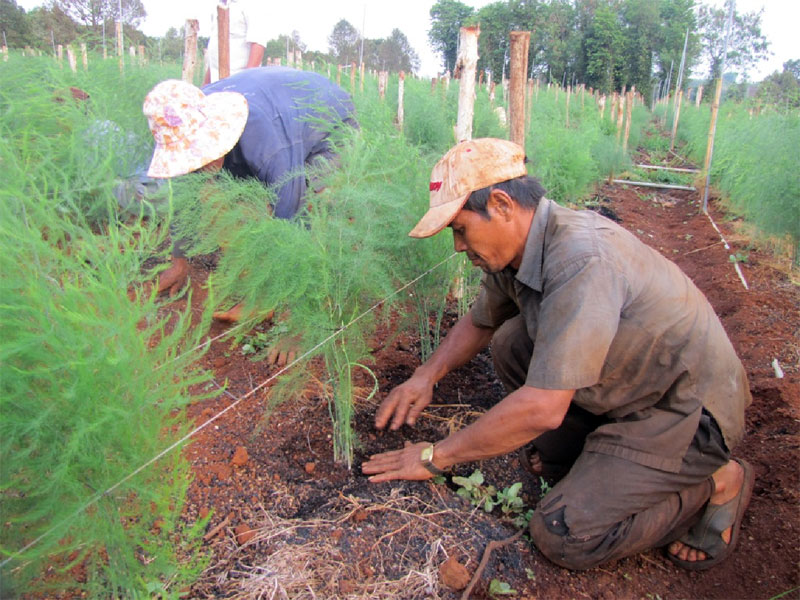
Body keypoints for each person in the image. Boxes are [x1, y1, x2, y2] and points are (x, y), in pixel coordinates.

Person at [362, 138, 754, 572]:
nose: (458, 246)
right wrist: (425, 375)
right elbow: (481, 322)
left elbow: (544, 407)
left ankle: (715, 483)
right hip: (634, 383)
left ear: (502, 204)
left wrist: (436, 457)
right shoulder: (517, 252)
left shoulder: (580, 259)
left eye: (460, 228)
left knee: (561, 534)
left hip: (683, 413)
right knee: (512, 341)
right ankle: (590, 456)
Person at [142, 67, 357, 314]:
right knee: (234, 203)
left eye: (202, 152)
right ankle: (264, 282)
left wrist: (278, 307)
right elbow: (184, 199)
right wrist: (179, 261)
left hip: (327, 122)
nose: (199, 163)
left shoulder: (266, 145)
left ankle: (312, 303)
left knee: (314, 205)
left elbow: (292, 218)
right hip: (279, 110)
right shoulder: (183, 116)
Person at [203, 0, 271, 85]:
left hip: (237, 85)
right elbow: (215, 54)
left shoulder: (252, 4)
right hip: (216, 86)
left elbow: (258, 44)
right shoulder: (218, 6)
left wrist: (245, 84)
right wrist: (205, 88)